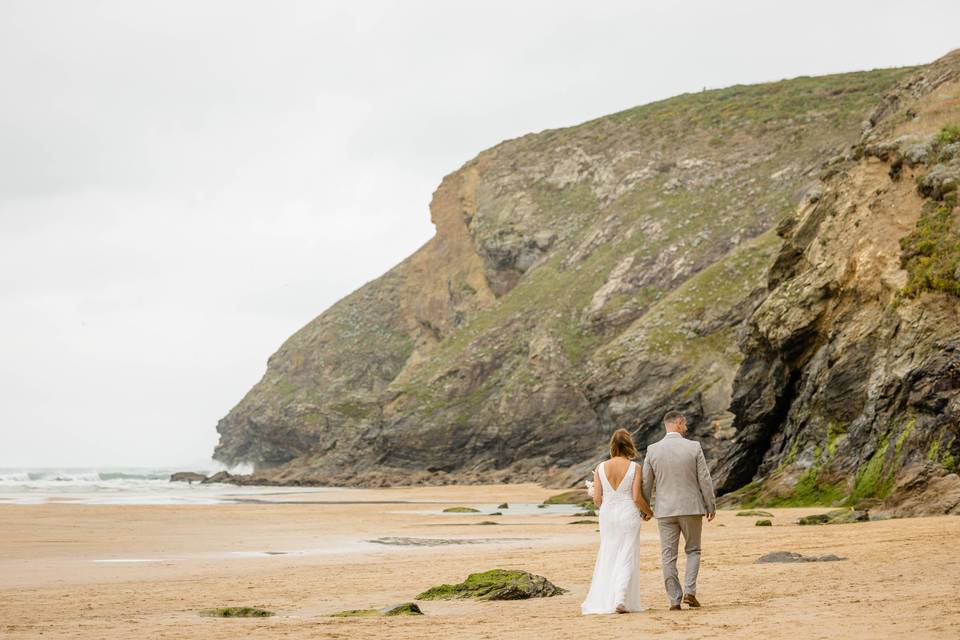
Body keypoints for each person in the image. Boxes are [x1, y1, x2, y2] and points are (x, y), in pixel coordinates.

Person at [641, 410, 717, 610]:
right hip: (691, 507)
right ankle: (690, 592)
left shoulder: (653, 449)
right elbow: (705, 479)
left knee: (668, 556)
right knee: (693, 550)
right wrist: (710, 504)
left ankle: (674, 600)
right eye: (684, 424)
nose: (686, 428)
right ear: (678, 423)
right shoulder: (694, 447)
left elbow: (646, 482)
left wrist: (645, 508)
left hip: (665, 510)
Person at [580, 428, 654, 615]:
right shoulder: (634, 467)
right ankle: (620, 599)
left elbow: (597, 500)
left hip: (608, 516)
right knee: (627, 554)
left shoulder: (600, 467)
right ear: (629, 445)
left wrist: (605, 499)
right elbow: (636, 497)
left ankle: (608, 598)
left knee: (609, 554)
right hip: (628, 513)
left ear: (612, 446)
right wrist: (649, 511)